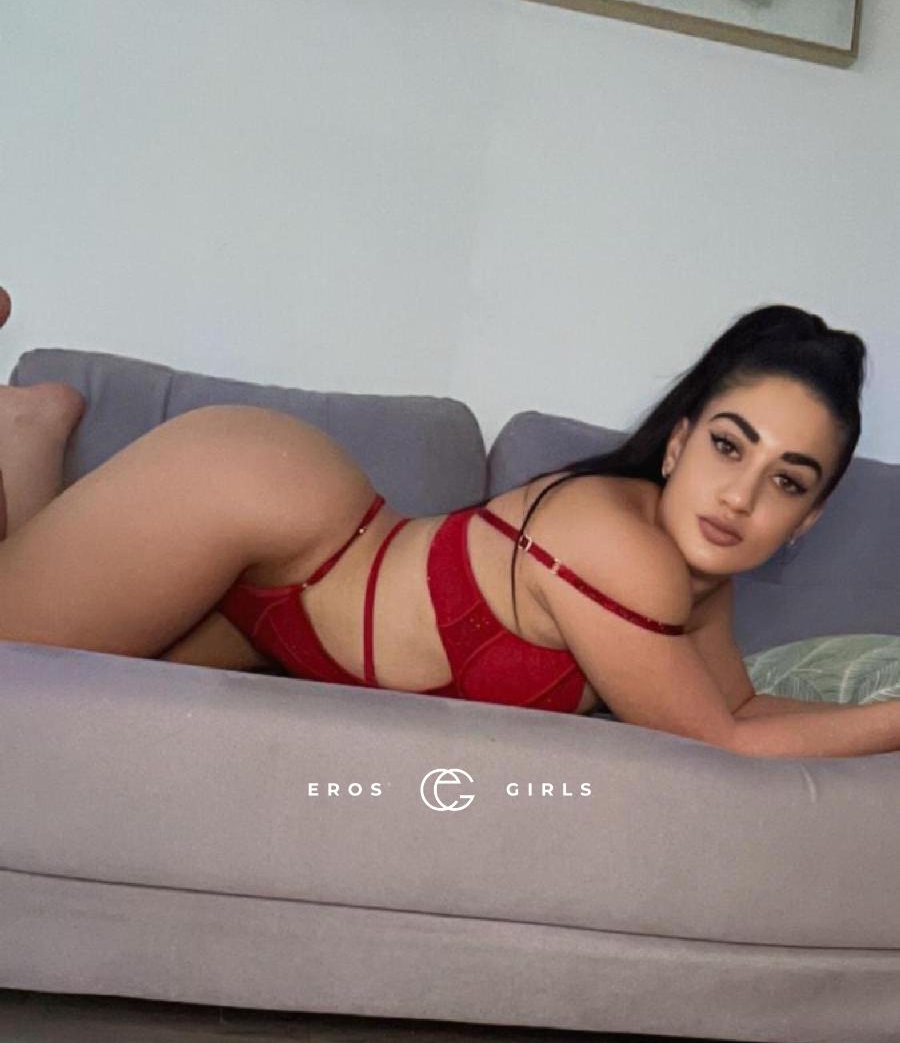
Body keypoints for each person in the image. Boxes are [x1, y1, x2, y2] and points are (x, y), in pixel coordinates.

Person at [1, 293, 898, 759]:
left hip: (285, 618)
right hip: (256, 501)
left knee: (61, 667)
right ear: (677, 445)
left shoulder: (700, 586)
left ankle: (25, 438)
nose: (739, 497)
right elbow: (723, 741)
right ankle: (27, 430)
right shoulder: (623, 549)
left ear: (809, 517)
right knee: (13, 648)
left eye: (786, 480)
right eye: (729, 446)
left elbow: (740, 708)